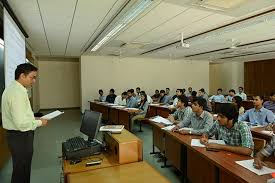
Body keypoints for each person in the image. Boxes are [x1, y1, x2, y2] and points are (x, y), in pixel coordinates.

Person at [1, 63, 48, 183]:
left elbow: (22, 116)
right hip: (20, 137)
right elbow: (21, 123)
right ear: (22, 75)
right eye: (32, 77)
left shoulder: (14, 89)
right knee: (21, 171)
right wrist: (39, 123)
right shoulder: (17, 93)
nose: (34, 81)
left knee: (21, 169)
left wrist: (35, 119)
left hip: (17, 136)